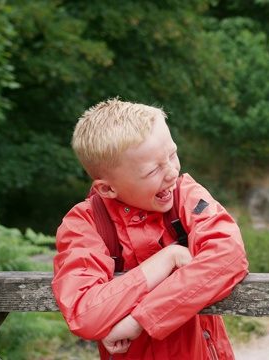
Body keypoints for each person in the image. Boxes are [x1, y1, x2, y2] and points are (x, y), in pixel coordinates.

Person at [52, 98, 249, 359]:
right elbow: (85, 313)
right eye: (153, 170)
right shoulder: (84, 225)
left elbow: (228, 257)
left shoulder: (186, 197)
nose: (171, 173)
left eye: (172, 155)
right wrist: (167, 259)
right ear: (107, 188)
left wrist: (139, 320)